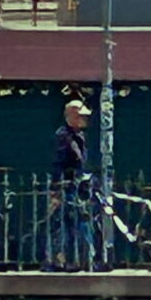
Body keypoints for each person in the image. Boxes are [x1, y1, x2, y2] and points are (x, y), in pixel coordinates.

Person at [51, 94, 94, 269]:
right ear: (72, 117)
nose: (85, 119)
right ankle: (66, 260)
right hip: (67, 186)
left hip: (78, 185)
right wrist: (56, 188)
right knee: (70, 223)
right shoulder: (63, 137)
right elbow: (58, 163)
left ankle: (82, 259)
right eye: (81, 116)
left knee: (81, 221)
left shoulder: (79, 136)